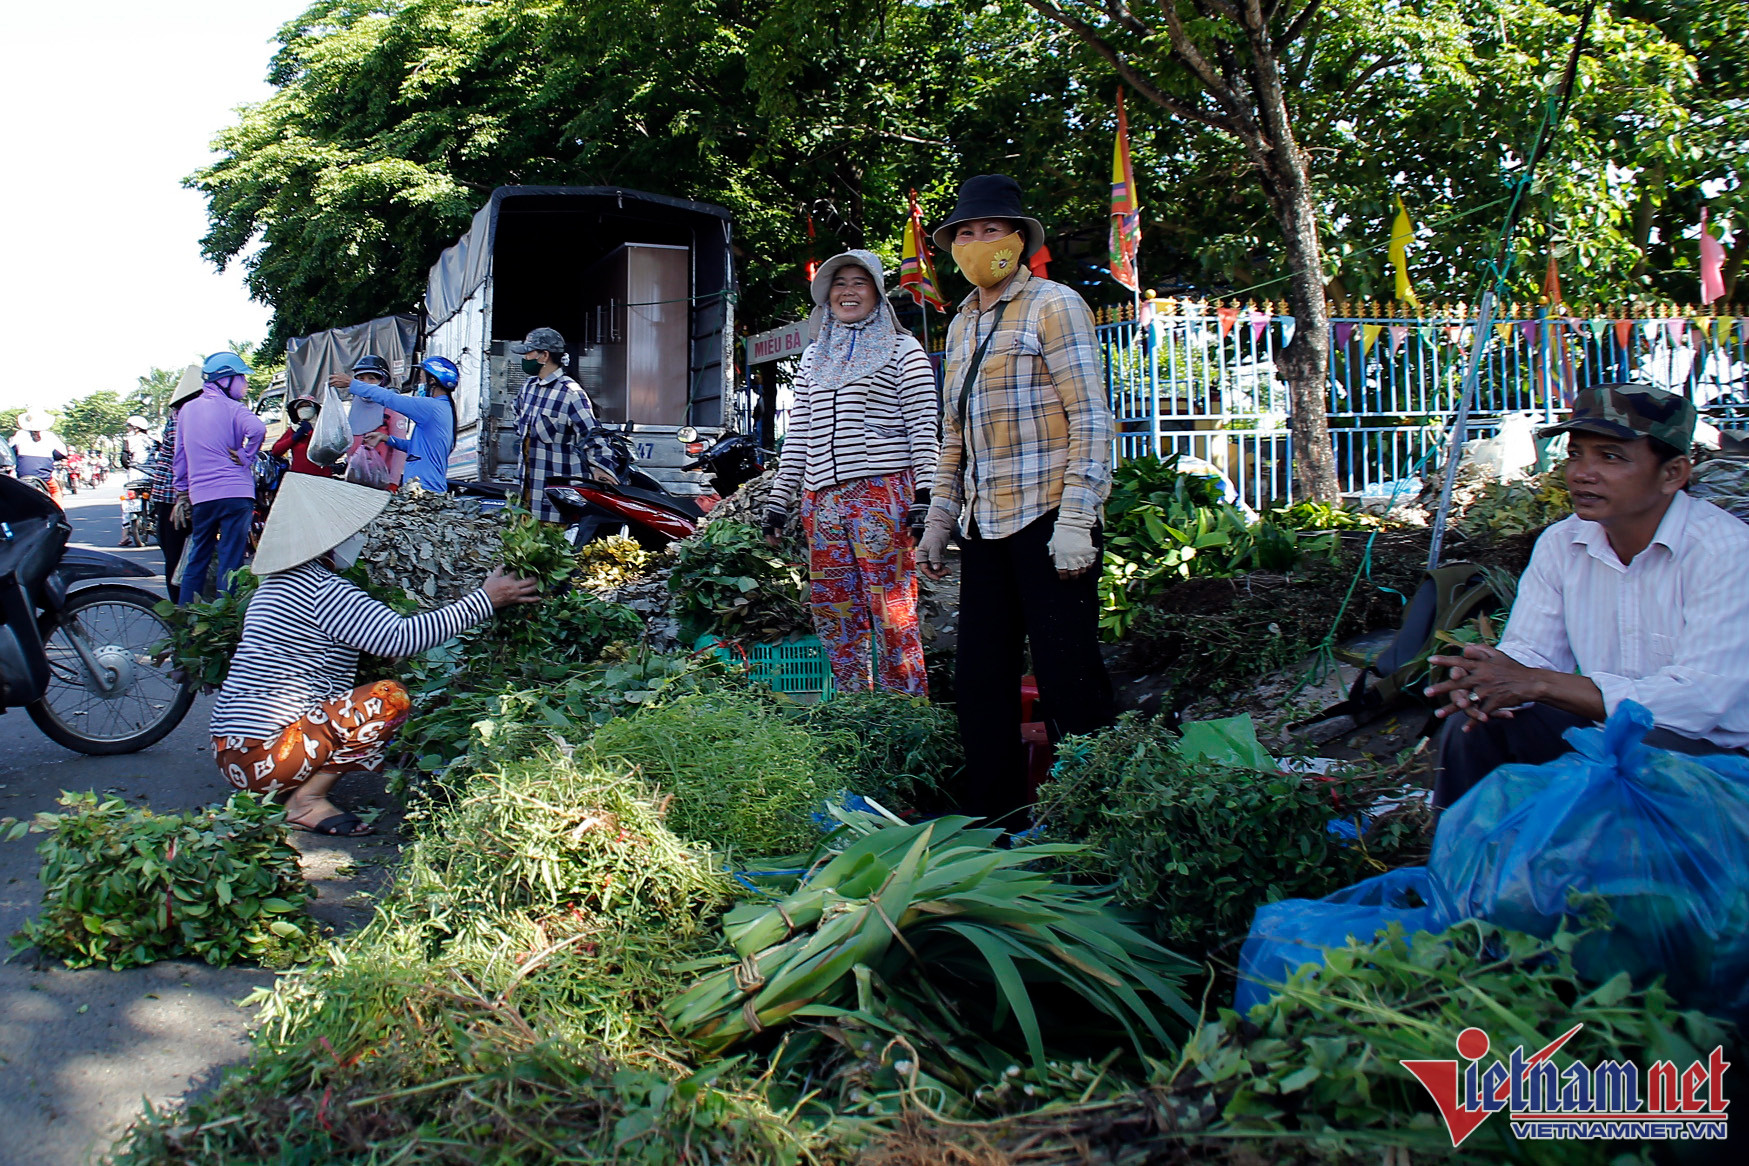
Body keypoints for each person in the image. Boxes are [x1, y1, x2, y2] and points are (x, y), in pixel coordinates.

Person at [1426, 383, 1749, 808]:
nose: (1581, 473)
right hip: (1604, 736)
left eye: (1610, 457)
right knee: (1482, 725)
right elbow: (1531, 654)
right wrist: (1490, 680)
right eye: (1575, 454)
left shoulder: (1726, 552)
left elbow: (1697, 701)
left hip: (1715, 758)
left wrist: (1538, 683)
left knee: (1633, 750)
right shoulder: (1563, 543)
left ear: (1673, 474)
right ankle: (1461, 863)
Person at [916, 174, 1118, 829]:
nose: (978, 243)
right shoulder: (963, 321)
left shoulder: (1055, 305)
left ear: (1019, 239)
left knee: (1069, 678)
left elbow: (1090, 416)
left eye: (990, 230)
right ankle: (993, 817)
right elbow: (955, 432)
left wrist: (1078, 518)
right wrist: (939, 519)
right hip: (984, 526)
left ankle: (1089, 818)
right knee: (980, 683)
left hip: (1048, 521)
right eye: (966, 233)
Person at [211, 474, 540, 835]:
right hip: (265, 755)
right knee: (389, 697)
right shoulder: (322, 589)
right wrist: (486, 599)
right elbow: (400, 639)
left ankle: (288, 784)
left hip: (233, 752)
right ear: (327, 540)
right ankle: (304, 802)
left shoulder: (273, 586)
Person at [760, 250, 938, 695]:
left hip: (882, 495)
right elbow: (797, 435)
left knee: (891, 610)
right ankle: (856, 710)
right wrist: (778, 504)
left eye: (860, 282)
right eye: (840, 283)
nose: (849, 291)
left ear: (878, 293)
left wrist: (927, 495)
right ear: (827, 295)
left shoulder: (903, 349)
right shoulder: (815, 357)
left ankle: (906, 713)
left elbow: (922, 425)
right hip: (821, 503)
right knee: (833, 611)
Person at [174, 351, 267, 603]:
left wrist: (181, 491)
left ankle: (186, 619)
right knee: (231, 559)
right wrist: (246, 455)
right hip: (236, 495)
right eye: (241, 379)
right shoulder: (235, 408)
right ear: (225, 380)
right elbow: (258, 429)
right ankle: (224, 622)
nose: (245, 384)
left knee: (198, 557)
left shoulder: (186, 410)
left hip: (202, 496)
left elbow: (180, 456)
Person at [509, 327, 602, 521]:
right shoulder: (528, 388)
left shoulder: (570, 393)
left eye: (529, 353)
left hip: (555, 507)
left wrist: (601, 467)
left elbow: (592, 436)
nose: (525, 358)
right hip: (527, 499)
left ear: (544, 356)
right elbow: (517, 418)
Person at [345, 356, 460, 492]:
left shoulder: (431, 407)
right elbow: (419, 449)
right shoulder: (442, 408)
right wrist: (386, 439)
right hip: (425, 488)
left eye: (422, 378)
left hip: (425, 490)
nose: (420, 383)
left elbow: (390, 399)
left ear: (432, 381)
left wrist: (352, 384)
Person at [270, 394, 338, 478]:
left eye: (307, 406)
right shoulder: (294, 429)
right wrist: (294, 437)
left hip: (322, 476)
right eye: (300, 407)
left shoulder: (323, 428)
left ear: (315, 409)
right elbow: (276, 451)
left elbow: (327, 450)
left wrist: (310, 433)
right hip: (299, 477)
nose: (304, 409)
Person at [11, 412, 67, 496]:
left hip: (22, 475)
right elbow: (62, 453)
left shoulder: (19, 434)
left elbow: (11, 451)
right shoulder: (50, 436)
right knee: (56, 491)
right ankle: (59, 509)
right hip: (44, 476)